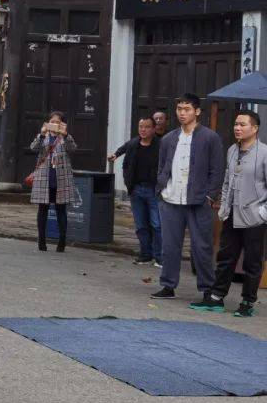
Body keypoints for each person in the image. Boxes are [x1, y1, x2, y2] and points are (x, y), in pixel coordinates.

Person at [152, 93, 224, 304]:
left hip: (198, 200)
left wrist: (210, 195)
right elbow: (162, 166)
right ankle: (168, 285)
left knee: (202, 246)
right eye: (179, 109)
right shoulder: (168, 138)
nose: (182, 113)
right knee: (169, 245)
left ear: (197, 111)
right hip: (171, 199)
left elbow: (217, 170)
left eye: (187, 109)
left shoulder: (210, 137)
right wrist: (161, 189)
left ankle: (206, 288)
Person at [200, 110, 266, 317]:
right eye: (236, 124)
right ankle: (217, 297)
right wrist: (224, 207)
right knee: (226, 257)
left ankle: (247, 302)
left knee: (252, 262)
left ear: (254, 129)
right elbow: (228, 180)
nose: (237, 128)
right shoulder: (232, 150)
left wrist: (262, 213)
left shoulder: (264, 153)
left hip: (254, 217)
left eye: (243, 124)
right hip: (232, 215)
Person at [109, 116, 162, 265]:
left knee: (157, 224)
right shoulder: (134, 144)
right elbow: (123, 149)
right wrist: (115, 155)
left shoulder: (160, 145)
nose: (143, 130)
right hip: (136, 189)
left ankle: (159, 256)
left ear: (153, 129)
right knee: (140, 225)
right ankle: (145, 254)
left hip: (153, 190)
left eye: (146, 127)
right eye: (140, 127)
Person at [29, 111, 77, 252]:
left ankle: (62, 241)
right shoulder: (43, 137)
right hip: (44, 177)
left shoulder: (64, 138)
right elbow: (33, 148)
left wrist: (65, 134)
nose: (54, 124)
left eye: (58, 122)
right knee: (42, 209)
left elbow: (73, 148)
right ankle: (41, 240)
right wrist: (42, 133)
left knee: (61, 210)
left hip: (61, 179)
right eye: (52, 121)